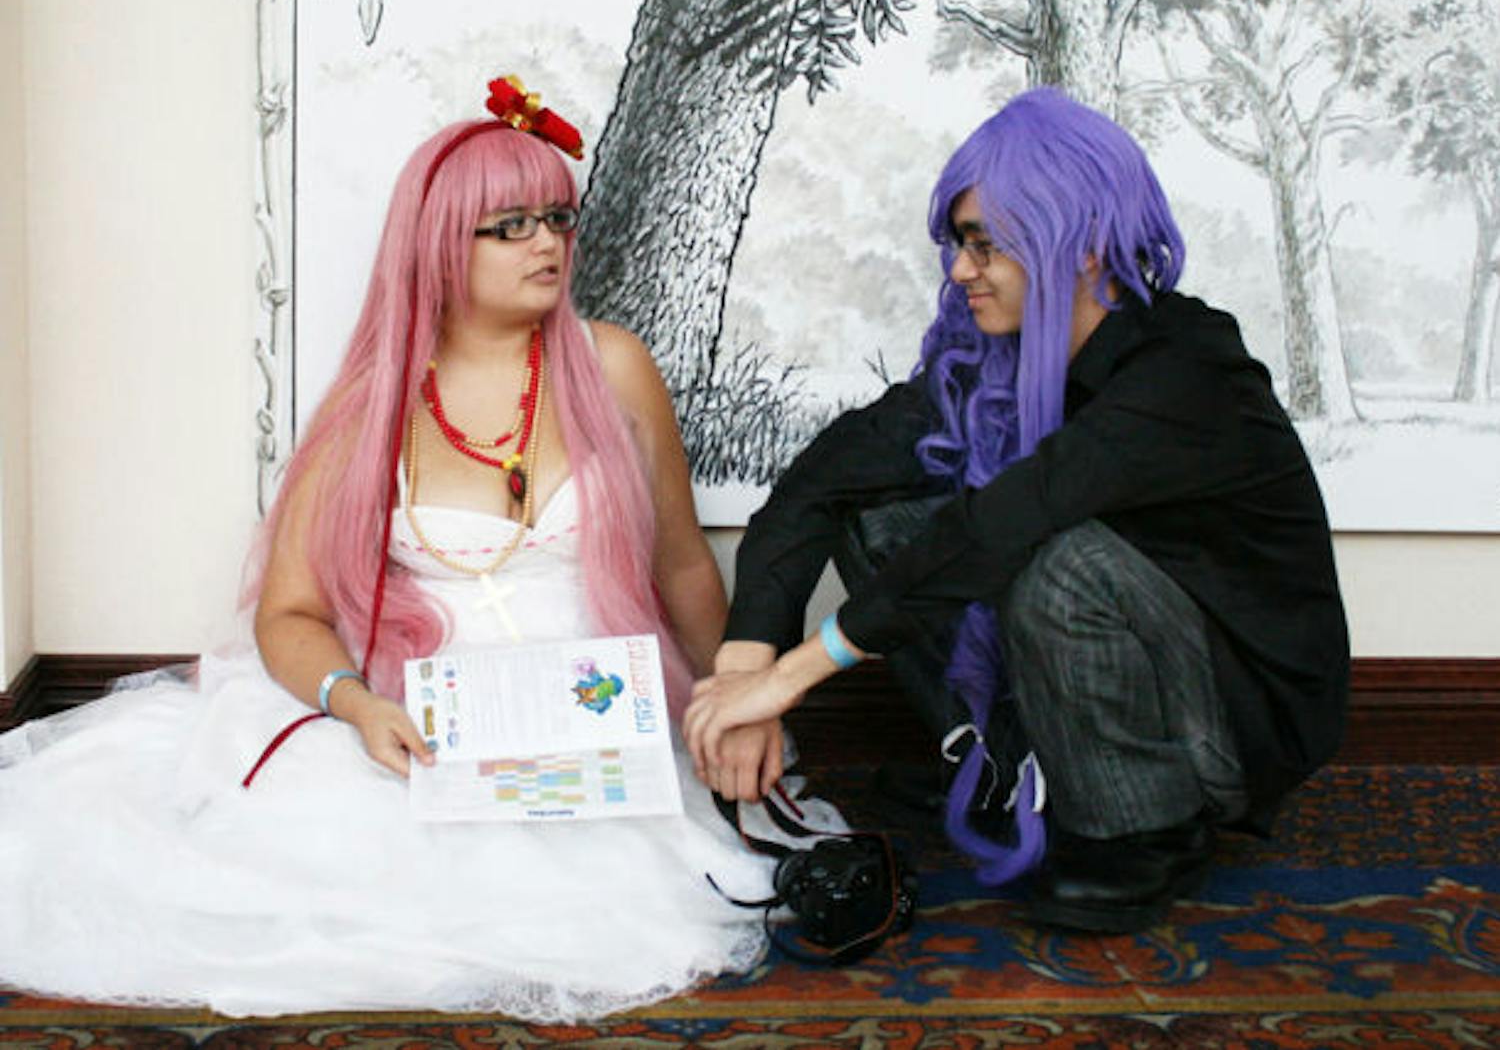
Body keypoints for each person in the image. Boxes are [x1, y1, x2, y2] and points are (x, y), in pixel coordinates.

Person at [0, 77, 829, 1018]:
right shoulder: (371, 409)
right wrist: (355, 706)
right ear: (440, 243)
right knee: (314, 890)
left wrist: (734, 695)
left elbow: (682, 562)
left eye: (557, 216)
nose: (548, 242)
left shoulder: (615, 366)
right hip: (429, 718)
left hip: (595, 711)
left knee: (640, 894)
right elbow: (290, 612)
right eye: (510, 225)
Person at [685, 87, 1350, 935]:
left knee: (1053, 558)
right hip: (1101, 659)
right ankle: (1014, 765)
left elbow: (1015, 518)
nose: (960, 271)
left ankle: (1144, 830)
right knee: (882, 522)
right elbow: (823, 479)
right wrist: (747, 672)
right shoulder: (988, 364)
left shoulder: (1187, 368)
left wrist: (793, 675)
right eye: (959, 244)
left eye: (985, 244)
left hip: (1228, 721)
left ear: (1080, 244)